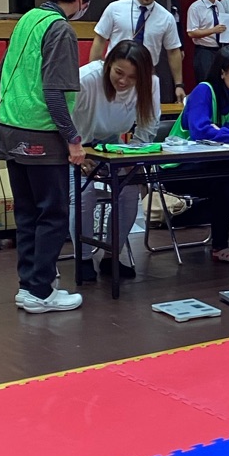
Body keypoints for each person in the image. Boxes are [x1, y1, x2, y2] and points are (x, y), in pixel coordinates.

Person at [0, 0, 95, 314]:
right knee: (52, 214)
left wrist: (11, 114)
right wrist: (73, 139)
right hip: (41, 134)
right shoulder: (61, 29)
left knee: (26, 214)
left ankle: (30, 286)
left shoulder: (27, 19)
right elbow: (54, 92)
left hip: (9, 129)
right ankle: (41, 291)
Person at [167, 45, 229, 264]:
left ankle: (227, 245)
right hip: (177, 168)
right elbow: (200, 131)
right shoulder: (204, 91)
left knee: (227, 177)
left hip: (215, 168)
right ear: (222, 72)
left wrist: (226, 132)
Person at [72, 41, 159, 282]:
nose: (123, 81)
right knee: (83, 193)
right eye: (119, 73)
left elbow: (149, 123)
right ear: (108, 64)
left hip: (111, 145)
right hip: (76, 144)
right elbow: (60, 119)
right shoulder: (85, 79)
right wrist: (75, 151)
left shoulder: (151, 84)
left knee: (130, 190)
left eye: (132, 77)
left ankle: (112, 256)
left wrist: (134, 153)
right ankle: (84, 258)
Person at [91, 0, 185, 102]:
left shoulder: (166, 17)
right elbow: (100, 40)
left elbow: (173, 51)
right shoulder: (115, 8)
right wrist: (94, 72)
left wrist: (179, 85)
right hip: (116, 72)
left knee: (144, 110)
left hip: (146, 74)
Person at [187, 0, 229, 84]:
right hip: (204, 51)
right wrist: (213, 30)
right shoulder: (195, 8)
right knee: (206, 81)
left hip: (220, 50)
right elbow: (191, 32)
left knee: (220, 81)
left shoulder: (219, 5)